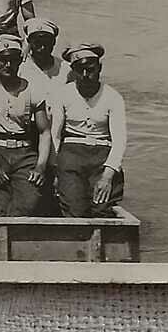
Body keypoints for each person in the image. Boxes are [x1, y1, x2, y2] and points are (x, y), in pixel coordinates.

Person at [0, 34, 52, 217]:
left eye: (13, 60)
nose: (8, 65)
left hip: (24, 153)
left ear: (20, 60)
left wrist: (41, 166)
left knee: (29, 201)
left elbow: (44, 132)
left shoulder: (33, 90)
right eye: (3, 60)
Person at [50, 43, 127, 218]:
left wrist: (107, 177)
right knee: (74, 209)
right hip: (71, 156)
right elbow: (55, 135)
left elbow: (120, 140)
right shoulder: (62, 94)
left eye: (90, 69)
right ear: (73, 70)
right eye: (79, 70)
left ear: (99, 68)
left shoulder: (113, 97)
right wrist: (55, 171)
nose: (85, 75)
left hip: (102, 158)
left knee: (101, 209)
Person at [19, 17, 70, 99]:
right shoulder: (20, 69)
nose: (42, 48)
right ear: (29, 42)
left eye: (46, 43)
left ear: (54, 42)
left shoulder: (66, 69)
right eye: (37, 43)